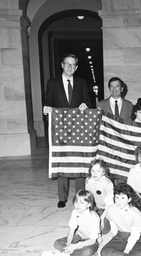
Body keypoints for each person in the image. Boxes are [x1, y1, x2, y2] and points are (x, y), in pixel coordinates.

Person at [43, 53, 92, 208]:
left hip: (79, 129)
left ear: (76, 67)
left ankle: (80, 196)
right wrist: (46, 111)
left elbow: (88, 103)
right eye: (67, 64)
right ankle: (62, 197)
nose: (70, 67)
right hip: (60, 130)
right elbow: (48, 103)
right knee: (62, 160)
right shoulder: (52, 83)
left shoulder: (82, 83)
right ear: (62, 65)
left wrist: (86, 106)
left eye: (73, 65)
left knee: (79, 160)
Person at [88, 183, 141, 256]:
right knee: (104, 252)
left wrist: (126, 250)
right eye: (116, 197)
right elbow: (113, 224)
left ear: (129, 199)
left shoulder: (136, 213)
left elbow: (135, 235)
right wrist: (115, 236)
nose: (119, 201)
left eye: (122, 198)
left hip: (137, 237)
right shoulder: (111, 209)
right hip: (120, 235)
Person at [41, 190, 100, 256]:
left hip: (91, 241)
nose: (78, 205)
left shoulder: (94, 217)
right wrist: (68, 245)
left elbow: (92, 241)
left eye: (82, 203)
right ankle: (78, 255)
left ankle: (60, 254)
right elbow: (71, 231)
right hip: (80, 236)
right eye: (76, 202)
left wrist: (75, 246)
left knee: (87, 251)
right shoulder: (75, 212)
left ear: (89, 204)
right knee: (57, 243)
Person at [85, 158, 114, 235]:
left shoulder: (108, 184)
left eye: (98, 171)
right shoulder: (88, 181)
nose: (95, 173)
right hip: (95, 207)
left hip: (106, 208)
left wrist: (102, 217)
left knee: (103, 231)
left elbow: (110, 204)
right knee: (87, 226)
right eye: (93, 171)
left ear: (103, 172)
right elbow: (88, 199)